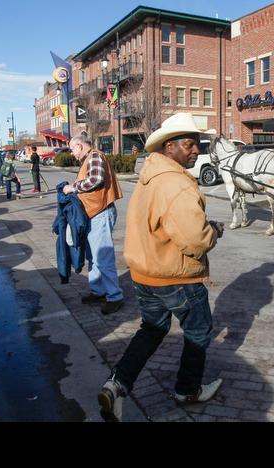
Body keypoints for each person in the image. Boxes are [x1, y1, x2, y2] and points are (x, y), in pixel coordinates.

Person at [96, 113, 224, 422]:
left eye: (198, 144)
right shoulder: (177, 184)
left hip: (144, 274)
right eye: (189, 144)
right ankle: (188, 390)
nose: (195, 150)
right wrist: (213, 232)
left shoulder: (149, 177)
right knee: (198, 331)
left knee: (152, 329)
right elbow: (194, 240)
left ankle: (116, 383)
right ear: (169, 147)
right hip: (176, 277)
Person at [62, 133, 125, 314]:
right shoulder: (91, 158)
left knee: (102, 257)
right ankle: (98, 291)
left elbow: (95, 179)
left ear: (80, 146)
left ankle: (114, 296)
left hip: (100, 213)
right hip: (94, 214)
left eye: (72, 149)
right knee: (94, 256)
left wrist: (72, 187)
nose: (72, 153)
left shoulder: (95, 156)